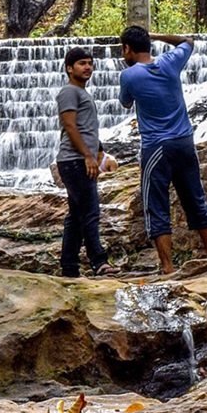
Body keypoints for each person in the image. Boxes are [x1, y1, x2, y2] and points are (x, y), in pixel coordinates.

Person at [118, 25, 207, 274]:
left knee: (157, 205)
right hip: (184, 142)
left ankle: (168, 268)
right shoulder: (170, 61)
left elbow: (126, 103)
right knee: (196, 199)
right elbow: (188, 40)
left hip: (156, 147)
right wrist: (154, 36)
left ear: (127, 49)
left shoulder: (129, 76)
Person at [56, 46, 117, 277]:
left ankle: (69, 267)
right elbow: (70, 126)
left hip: (78, 160)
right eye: (82, 63)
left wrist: (99, 152)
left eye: (90, 63)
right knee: (90, 212)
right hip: (74, 161)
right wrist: (87, 157)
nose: (88, 67)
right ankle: (99, 262)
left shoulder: (82, 93)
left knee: (76, 215)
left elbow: (86, 128)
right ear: (69, 68)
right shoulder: (69, 92)